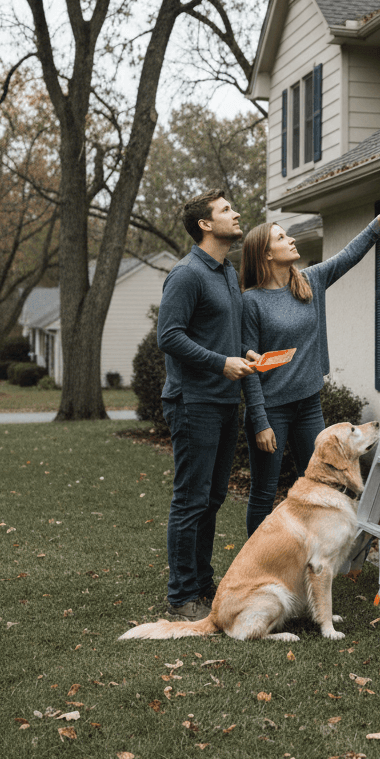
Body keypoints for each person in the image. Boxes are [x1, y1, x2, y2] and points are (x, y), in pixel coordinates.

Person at [240, 193, 380, 536]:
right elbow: (248, 366)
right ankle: (257, 562)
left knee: (321, 484)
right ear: (266, 253)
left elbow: (347, 256)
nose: (292, 239)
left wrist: (378, 224)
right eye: (282, 237)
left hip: (308, 405)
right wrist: (259, 421)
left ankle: (314, 555)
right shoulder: (251, 302)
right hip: (271, 410)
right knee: (263, 491)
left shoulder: (309, 281)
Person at [157, 190, 256, 620]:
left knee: (213, 498)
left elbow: (219, 333)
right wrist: (221, 363)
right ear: (204, 224)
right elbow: (170, 336)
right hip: (192, 402)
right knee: (191, 500)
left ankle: (201, 583)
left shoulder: (226, 272)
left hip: (222, 401)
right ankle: (182, 596)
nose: (236, 215)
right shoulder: (187, 274)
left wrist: (243, 355)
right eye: (226, 211)